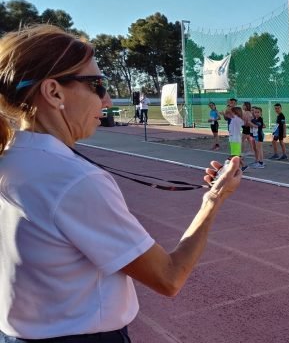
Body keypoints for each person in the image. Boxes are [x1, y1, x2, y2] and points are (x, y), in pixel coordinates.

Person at [0, 25, 243, 341]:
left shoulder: (9, 158)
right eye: (97, 85)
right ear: (54, 92)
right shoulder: (75, 180)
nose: (107, 100)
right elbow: (169, 277)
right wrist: (214, 200)